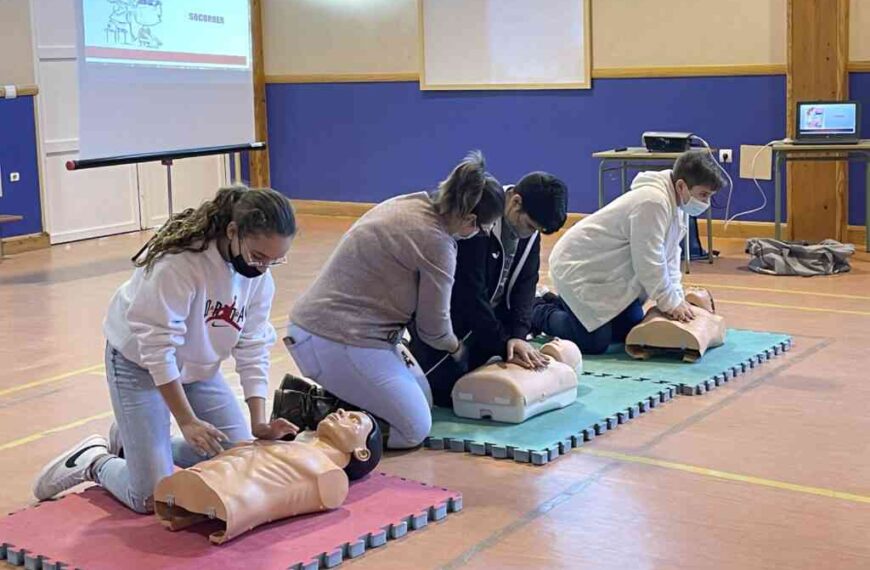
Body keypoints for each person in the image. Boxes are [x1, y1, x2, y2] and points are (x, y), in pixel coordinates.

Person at [32, 186, 298, 514]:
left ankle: (137, 446)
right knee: (150, 497)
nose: (263, 268)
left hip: (196, 369)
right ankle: (93, 461)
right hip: (138, 363)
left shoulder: (259, 278)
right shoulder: (181, 264)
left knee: (240, 457)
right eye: (258, 256)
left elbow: (253, 344)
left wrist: (259, 423)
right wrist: (186, 420)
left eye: (275, 260)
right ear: (233, 232)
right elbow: (157, 348)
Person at [285, 151, 505, 449]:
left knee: (423, 401)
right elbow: (433, 329)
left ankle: (332, 401)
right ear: (469, 219)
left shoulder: (412, 202)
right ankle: (310, 409)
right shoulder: (437, 242)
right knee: (414, 428)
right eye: (482, 228)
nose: (480, 234)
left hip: (341, 332)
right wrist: (457, 348)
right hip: (337, 337)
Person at [533, 150, 726, 354]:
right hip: (580, 268)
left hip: (607, 273)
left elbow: (670, 257)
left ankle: (561, 304)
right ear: (681, 186)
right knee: (593, 342)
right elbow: (649, 261)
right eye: (703, 195)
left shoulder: (677, 205)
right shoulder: (652, 202)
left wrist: (676, 299)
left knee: (629, 329)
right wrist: (670, 303)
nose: (705, 202)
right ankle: (536, 309)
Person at [408, 172, 569, 407]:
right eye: (530, 226)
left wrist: (517, 336)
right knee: (442, 392)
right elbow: (470, 296)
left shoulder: (529, 230)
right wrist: (503, 344)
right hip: (455, 314)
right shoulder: (479, 221)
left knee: (512, 368)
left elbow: (526, 284)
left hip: (490, 316)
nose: (530, 233)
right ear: (515, 202)